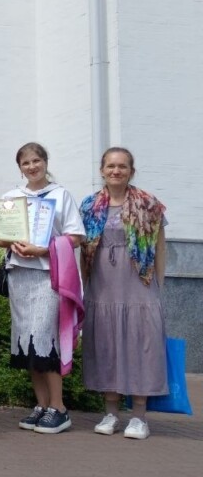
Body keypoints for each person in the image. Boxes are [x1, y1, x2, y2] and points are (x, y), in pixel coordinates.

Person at [0, 142, 85, 435]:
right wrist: (11, 241)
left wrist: (43, 249)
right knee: (27, 340)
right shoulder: (11, 197)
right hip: (20, 274)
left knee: (45, 338)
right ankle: (42, 405)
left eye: (36, 161)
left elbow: (75, 236)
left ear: (45, 162)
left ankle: (59, 408)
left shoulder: (61, 195)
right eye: (26, 163)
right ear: (19, 168)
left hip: (49, 275)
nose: (32, 167)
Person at [80, 147, 167, 440]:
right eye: (111, 166)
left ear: (131, 171)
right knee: (106, 345)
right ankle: (111, 413)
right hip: (102, 286)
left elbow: (160, 247)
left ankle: (139, 417)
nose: (116, 171)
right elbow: (83, 250)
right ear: (102, 170)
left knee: (141, 345)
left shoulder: (149, 204)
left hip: (138, 284)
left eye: (122, 166)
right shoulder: (89, 206)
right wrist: (84, 285)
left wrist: (158, 286)